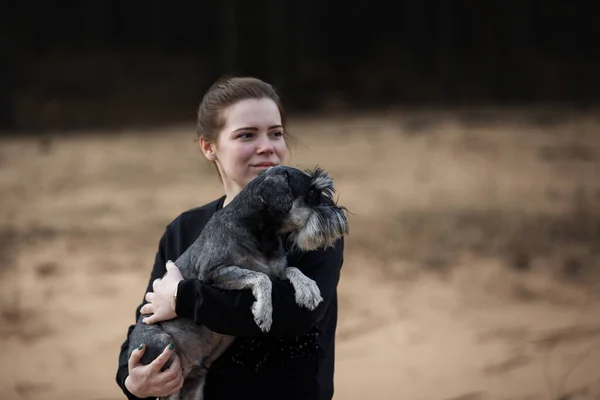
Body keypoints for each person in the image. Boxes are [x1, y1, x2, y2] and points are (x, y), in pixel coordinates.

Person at [115, 76, 345, 400]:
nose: (267, 146)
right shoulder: (183, 231)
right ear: (209, 147)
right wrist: (131, 380)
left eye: (276, 133)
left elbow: (297, 313)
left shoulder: (312, 225)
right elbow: (147, 322)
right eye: (246, 135)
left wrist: (184, 298)